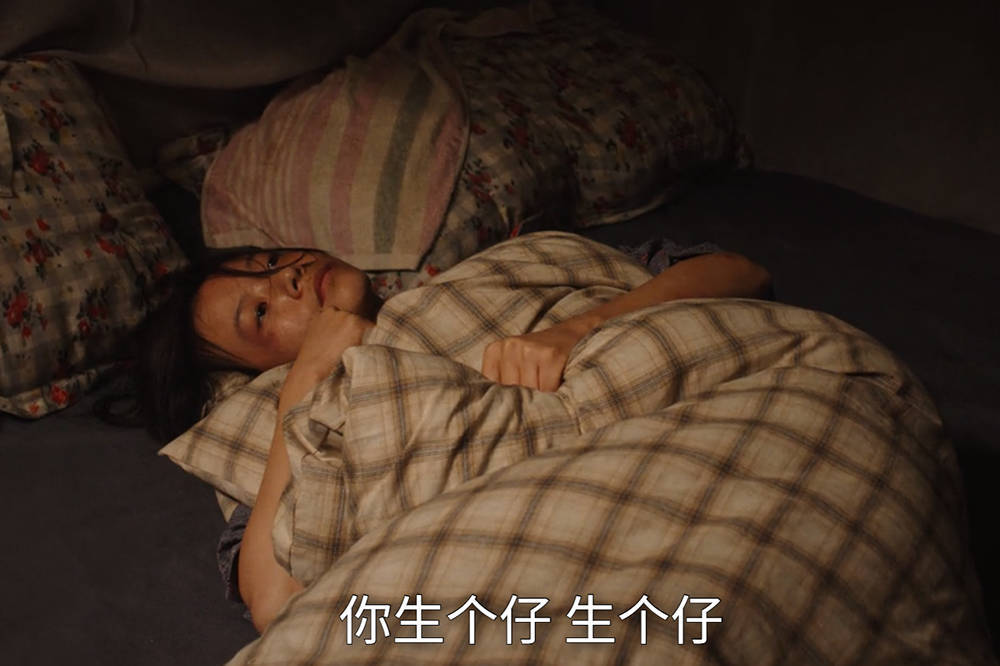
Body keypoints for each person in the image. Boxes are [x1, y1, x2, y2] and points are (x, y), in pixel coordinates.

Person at [137, 234, 772, 632]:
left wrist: (579, 328)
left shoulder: (498, 266)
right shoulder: (269, 421)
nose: (286, 279)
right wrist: (305, 378)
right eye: (261, 312)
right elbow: (276, 604)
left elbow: (737, 272)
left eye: (271, 263)